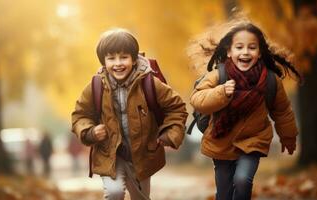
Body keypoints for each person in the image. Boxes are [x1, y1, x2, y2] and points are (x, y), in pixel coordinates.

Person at [71, 28, 187, 200]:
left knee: (140, 198)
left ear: (133, 59)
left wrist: (170, 133)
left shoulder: (149, 83)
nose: (118, 63)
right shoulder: (96, 86)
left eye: (123, 57)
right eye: (111, 58)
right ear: (104, 62)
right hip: (110, 154)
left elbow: (177, 107)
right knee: (114, 192)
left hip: (142, 154)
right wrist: (90, 131)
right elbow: (80, 115)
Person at [190, 22, 301, 200]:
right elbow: (197, 99)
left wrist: (288, 136)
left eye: (252, 47)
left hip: (253, 141)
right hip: (221, 142)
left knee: (243, 180)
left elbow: (282, 111)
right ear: (229, 52)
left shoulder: (270, 81)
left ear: (259, 52)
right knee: (224, 193)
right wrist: (221, 92)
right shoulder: (219, 75)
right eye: (239, 47)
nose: (245, 52)